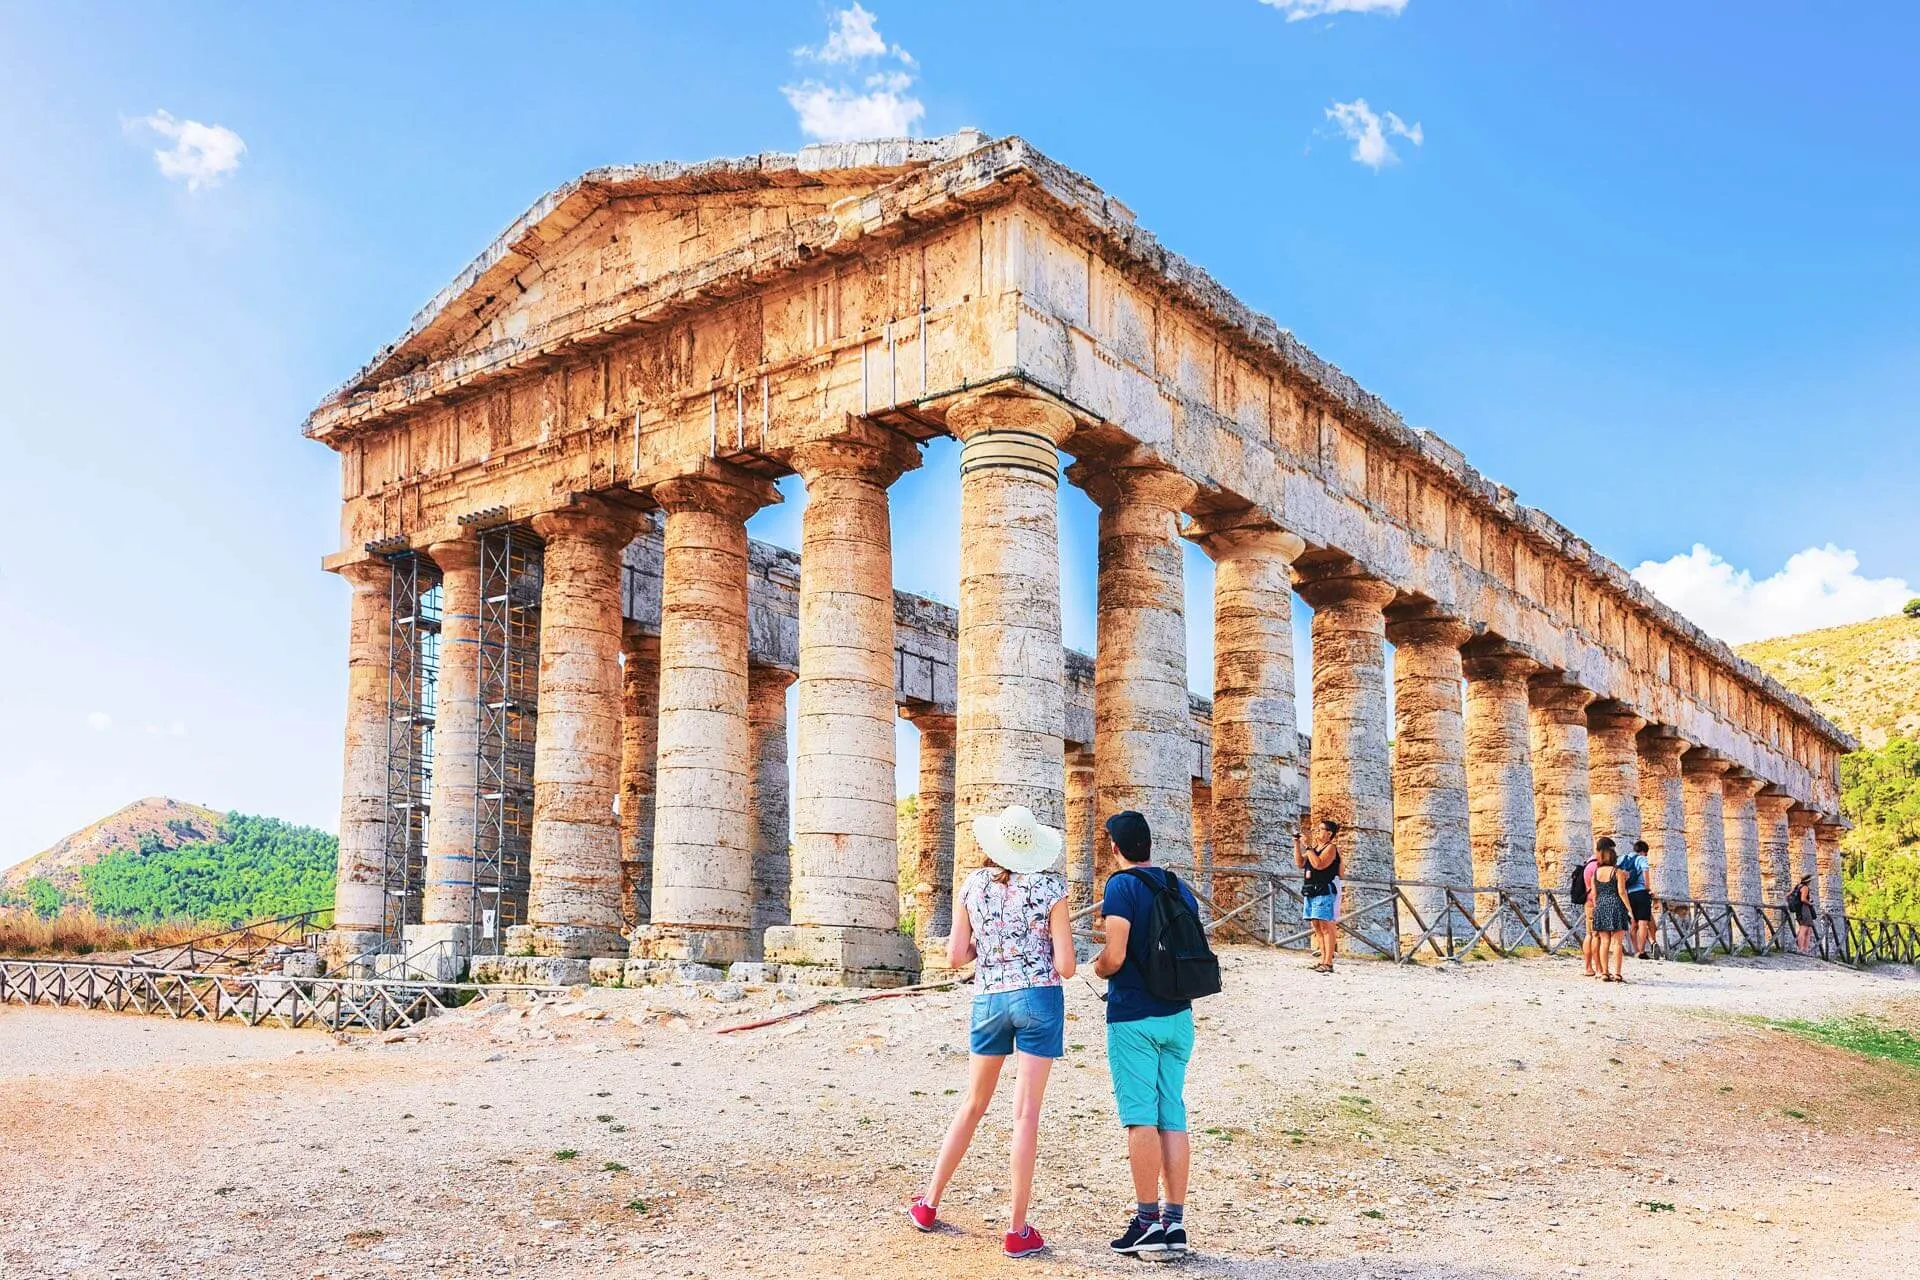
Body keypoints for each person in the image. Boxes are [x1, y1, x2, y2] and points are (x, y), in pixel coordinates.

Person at [908, 804, 1073, 1259]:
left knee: (973, 1104)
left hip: (988, 998)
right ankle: (1016, 1230)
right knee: (1025, 1115)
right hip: (1039, 997)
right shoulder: (1050, 887)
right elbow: (1066, 965)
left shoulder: (973, 885)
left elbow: (956, 956)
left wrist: (993, 946)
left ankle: (929, 1203)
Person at [1093, 810, 1197, 1259]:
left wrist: (1096, 967)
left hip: (1134, 1015)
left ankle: (1147, 1221)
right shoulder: (1177, 885)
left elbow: (1114, 955)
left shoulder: (1121, 886)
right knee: (1172, 1114)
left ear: (1115, 847)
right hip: (1179, 1015)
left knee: (1141, 1118)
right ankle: (1174, 1224)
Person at [1293, 817, 1342, 974]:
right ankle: (1322, 960)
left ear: (1329, 833)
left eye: (1321, 829)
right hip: (1311, 890)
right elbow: (1301, 863)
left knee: (1325, 926)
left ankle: (1328, 962)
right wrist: (1297, 844)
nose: (1317, 831)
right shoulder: (1314, 848)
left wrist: (1307, 846)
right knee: (1316, 926)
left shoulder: (1331, 848)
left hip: (1324, 890)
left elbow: (1319, 864)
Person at [1589, 841, 1631, 982]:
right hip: (1616, 905)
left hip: (1601, 905)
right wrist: (1630, 910)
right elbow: (1622, 892)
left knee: (1604, 941)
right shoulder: (1617, 872)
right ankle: (1617, 974)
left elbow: (1594, 895)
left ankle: (1604, 972)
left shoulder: (1595, 873)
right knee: (1618, 942)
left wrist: (1597, 908)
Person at [1577, 840, 1606, 976]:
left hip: (1588, 902)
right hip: (1595, 902)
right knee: (1597, 936)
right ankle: (1599, 968)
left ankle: (1588, 967)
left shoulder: (1588, 864)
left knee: (1589, 935)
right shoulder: (1596, 866)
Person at [1625, 839, 1655, 959]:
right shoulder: (1642, 858)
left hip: (1629, 894)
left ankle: (1635, 950)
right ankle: (1641, 951)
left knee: (1633, 924)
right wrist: (1648, 889)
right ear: (1643, 851)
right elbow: (1645, 872)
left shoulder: (1626, 858)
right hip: (1641, 893)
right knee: (1643, 923)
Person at [1789, 874, 1816, 952]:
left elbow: (1788, 895)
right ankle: (1801, 949)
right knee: (1804, 929)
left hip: (1799, 909)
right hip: (1804, 909)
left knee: (1808, 930)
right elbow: (1803, 899)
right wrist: (1810, 903)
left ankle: (1805, 949)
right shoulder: (1805, 888)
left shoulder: (1797, 886)